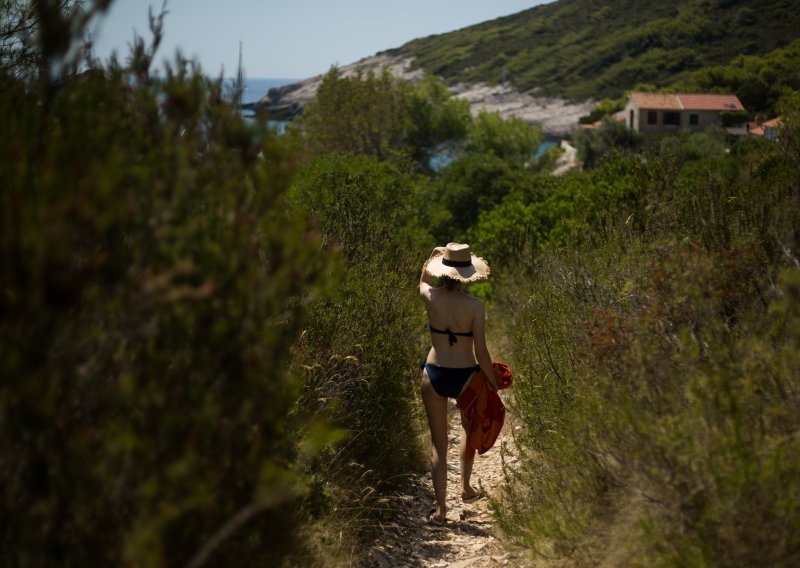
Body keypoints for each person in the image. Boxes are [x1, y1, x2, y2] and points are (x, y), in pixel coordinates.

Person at [419, 242, 499, 525]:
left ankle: (440, 511)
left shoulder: (430, 296)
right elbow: (481, 352)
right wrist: (492, 380)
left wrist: (433, 255)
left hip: (435, 371)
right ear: (466, 273)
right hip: (466, 374)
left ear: (442, 269)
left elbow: (422, 281)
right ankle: (464, 487)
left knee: (438, 445)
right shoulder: (475, 306)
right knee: (469, 428)